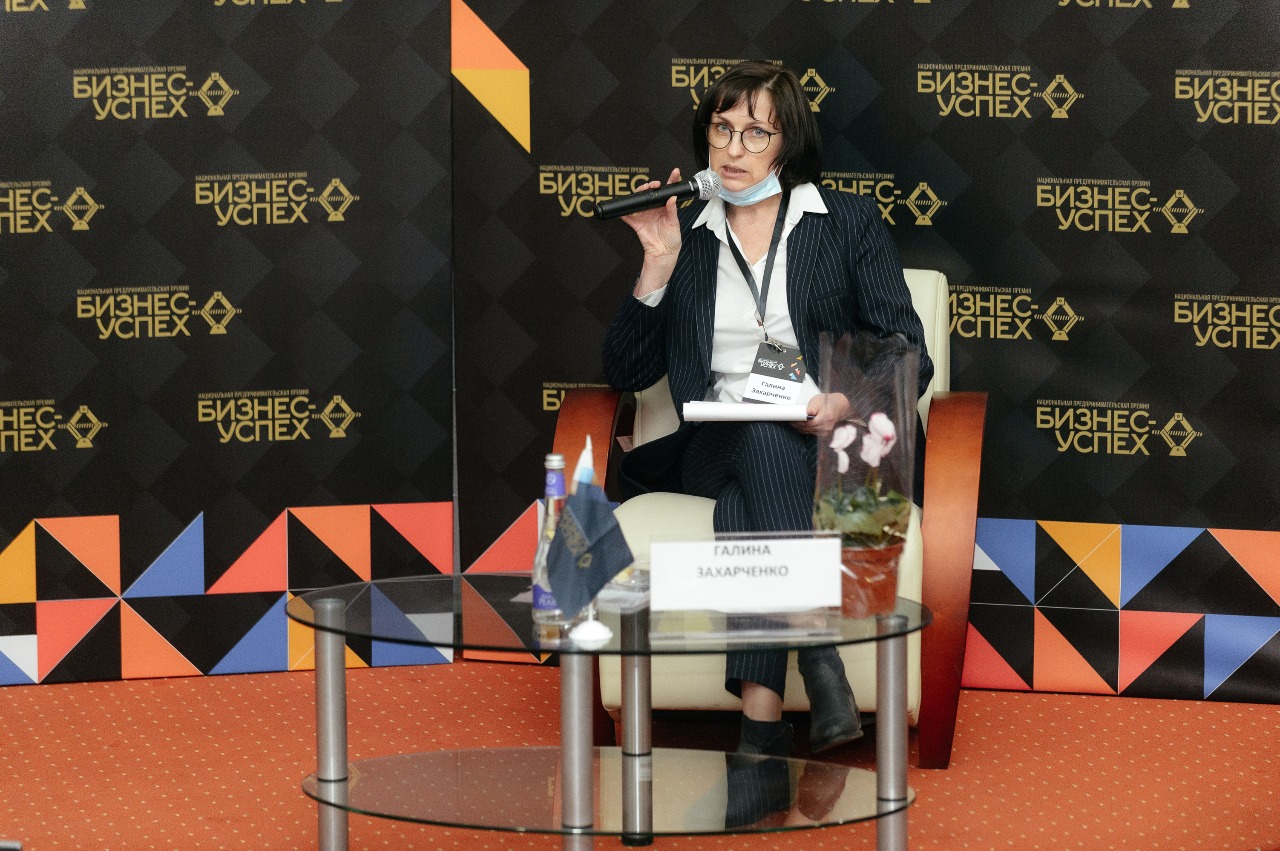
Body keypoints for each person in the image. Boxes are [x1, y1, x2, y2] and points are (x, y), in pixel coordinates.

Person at [601, 60, 933, 756]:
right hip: (713, 445)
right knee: (756, 434)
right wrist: (657, 261)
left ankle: (760, 729)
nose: (733, 148)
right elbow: (626, 372)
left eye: (756, 133)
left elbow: (908, 351)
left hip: (828, 442)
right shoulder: (688, 234)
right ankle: (816, 648)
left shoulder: (844, 222)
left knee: (746, 503)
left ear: (788, 144)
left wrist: (841, 398)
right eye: (721, 129)